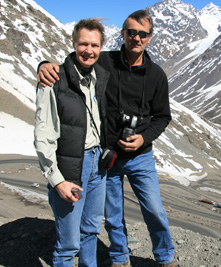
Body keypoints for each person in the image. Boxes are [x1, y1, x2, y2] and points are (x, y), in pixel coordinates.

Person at [38, 10, 175, 267]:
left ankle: (165, 257)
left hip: (140, 156)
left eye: (142, 34)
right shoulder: (104, 61)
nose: (136, 38)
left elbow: (162, 117)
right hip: (108, 155)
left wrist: (143, 138)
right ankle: (119, 258)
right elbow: (74, 63)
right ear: (122, 34)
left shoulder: (156, 75)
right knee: (112, 216)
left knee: (155, 210)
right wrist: (44, 64)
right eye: (131, 32)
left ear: (150, 37)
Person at [34, 19, 109, 267]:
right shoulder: (53, 81)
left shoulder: (99, 76)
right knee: (68, 244)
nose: (89, 50)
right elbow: (43, 137)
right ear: (73, 44)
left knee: (90, 231)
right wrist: (57, 180)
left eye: (95, 45)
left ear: (101, 47)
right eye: (83, 44)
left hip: (98, 166)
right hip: (71, 169)